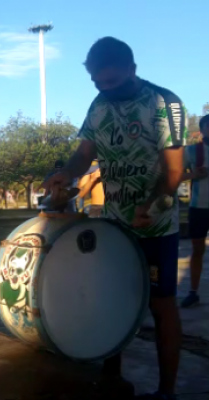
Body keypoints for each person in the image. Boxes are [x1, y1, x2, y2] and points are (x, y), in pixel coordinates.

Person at [44, 37, 187, 400]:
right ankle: (112, 379)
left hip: (154, 227)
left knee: (161, 304)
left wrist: (151, 206)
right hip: (115, 226)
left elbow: (174, 172)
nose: (105, 89)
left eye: (112, 82)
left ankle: (166, 391)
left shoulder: (164, 104)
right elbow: (83, 154)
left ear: (132, 70)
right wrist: (68, 174)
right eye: (97, 83)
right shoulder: (98, 106)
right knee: (110, 297)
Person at [180, 114, 209, 308]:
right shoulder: (191, 151)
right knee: (198, 250)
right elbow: (175, 175)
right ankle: (193, 292)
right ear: (202, 130)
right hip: (199, 208)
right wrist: (193, 174)